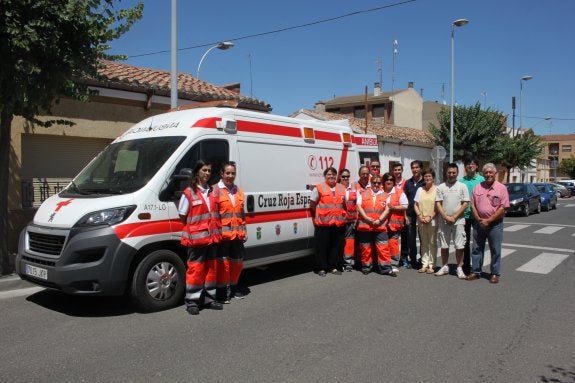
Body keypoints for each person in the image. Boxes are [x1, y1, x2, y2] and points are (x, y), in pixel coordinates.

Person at [179, 159, 222, 315]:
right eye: (204, 170)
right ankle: (192, 301)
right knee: (196, 270)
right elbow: (183, 216)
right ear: (197, 172)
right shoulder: (189, 193)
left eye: (209, 171)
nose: (207, 173)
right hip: (196, 239)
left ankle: (210, 299)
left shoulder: (212, 192)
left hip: (212, 238)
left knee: (211, 270)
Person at [466, 163, 510, 283]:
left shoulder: (501, 188)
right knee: (476, 248)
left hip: (495, 224)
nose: (488, 174)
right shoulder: (477, 187)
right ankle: (476, 271)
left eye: (491, 172)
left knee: (495, 249)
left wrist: (489, 220)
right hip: (479, 223)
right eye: (486, 172)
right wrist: (479, 219)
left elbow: (503, 207)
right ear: (483, 174)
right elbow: (473, 205)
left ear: (495, 174)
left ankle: (495, 273)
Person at [212, 161, 247, 303]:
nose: (230, 176)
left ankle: (234, 288)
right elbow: (212, 216)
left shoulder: (239, 190)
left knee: (237, 263)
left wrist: (244, 230)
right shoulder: (214, 190)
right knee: (223, 265)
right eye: (227, 173)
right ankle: (222, 292)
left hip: (238, 235)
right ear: (221, 174)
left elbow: (241, 214)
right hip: (222, 236)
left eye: (233, 173)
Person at [356, 175, 399, 276]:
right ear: (371, 183)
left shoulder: (386, 195)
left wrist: (379, 220)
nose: (376, 184)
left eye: (378, 183)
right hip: (365, 226)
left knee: (383, 248)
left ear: (381, 184)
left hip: (380, 226)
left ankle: (385, 268)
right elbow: (359, 207)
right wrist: (367, 219)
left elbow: (387, 209)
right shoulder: (363, 193)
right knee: (366, 248)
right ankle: (366, 267)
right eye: (374, 182)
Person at [310, 167, 347, 276]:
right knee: (322, 247)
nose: (331, 176)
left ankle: (333, 266)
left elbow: (343, 203)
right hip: (323, 223)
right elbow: (312, 204)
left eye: (333, 174)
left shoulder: (341, 187)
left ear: (336, 176)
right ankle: (321, 268)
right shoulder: (319, 188)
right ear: (325, 176)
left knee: (336, 246)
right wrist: (320, 213)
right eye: (329, 174)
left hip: (338, 223)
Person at [434, 162, 469, 279]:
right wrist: (445, 216)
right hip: (444, 221)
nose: (451, 174)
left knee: (459, 246)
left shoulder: (462, 186)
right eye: (449, 172)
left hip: (458, 221)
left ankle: (459, 268)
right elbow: (438, 203)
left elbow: (465, 204)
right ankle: (444, 266)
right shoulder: (441, 187)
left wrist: (454, 217)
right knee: (444, 245)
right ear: (446, 173)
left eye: (454, 172)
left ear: (457, 173)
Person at [459, 157, 485, 275]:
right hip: (464, 215)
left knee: (477, 242)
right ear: (465, 167)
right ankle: (466, 266)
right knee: (465, 242)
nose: (470, 166)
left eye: (473, 163)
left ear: (477, 166)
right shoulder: (461, 181)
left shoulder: (482, 180)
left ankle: (477, 267)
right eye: (468, 164)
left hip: (478, 215)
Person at [402, 160, 425, 269]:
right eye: (413, 168)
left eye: (417, 167)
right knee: (411, 238)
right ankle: (413, 259)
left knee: (422, 237)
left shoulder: (425, 182)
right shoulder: (408, 183)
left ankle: (422, 259)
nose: (415, 170)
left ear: (421, 169)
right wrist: (405, 215)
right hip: (410, 214)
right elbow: (404, 200)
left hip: (421, 213)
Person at [413, 168, 437, 274]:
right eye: (426, 176)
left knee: (432, 243)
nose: (427, 178)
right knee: (424, 243)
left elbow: (438, 206)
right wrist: (419, 216)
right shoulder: (420, 189)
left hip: (433, 220)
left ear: (433, 178)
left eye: (429, 176)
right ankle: (424, 264)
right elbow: (415, 205)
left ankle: (432, 265)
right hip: (421, 220)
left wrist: (430, 217)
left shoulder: (437, 189)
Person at [381, 172, 407, 267]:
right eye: (387, 179)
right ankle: (385, 262)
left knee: (393, 243)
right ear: (383, 181)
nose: (389, 181)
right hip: (381, 224)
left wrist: (393, 208)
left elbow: (405, 206)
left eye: (391, 179)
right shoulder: (380, 192)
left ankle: (394, 263)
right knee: (383, 244)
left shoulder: (399, 192)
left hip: (394, 224)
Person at [339, 168, 357, 272]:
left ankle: (348, 262)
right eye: (343, 176)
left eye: (347, 176)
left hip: (350, 220)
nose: (345, 178)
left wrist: (356, 218)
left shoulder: (354, 188)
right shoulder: (337, 188)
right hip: (339, 221)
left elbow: (358, 204)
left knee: (349, 242)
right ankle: (339, 262)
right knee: (339, 242)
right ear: (340, 177)